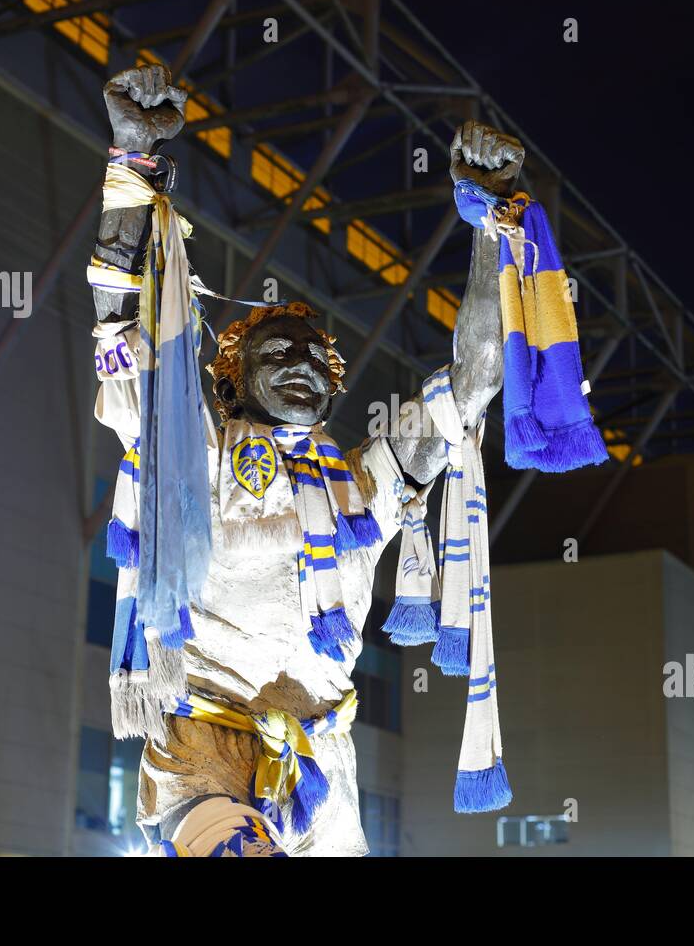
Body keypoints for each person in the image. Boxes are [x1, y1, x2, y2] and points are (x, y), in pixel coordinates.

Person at [89, 65, 526, 856]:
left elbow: (476, 381)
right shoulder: (191, 453)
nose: (302, 361)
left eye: (318, 358)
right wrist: (132, 157)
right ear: (229, 379)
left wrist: (494, 223)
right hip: (203, 747)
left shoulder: (366, 485)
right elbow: (121, 329)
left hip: (324, 760)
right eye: (275, 349)